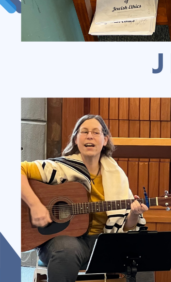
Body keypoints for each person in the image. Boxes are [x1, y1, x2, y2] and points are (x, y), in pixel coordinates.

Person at [21, 115, 148, 282]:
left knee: (141, 249)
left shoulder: (118, 177)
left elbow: (125, 226)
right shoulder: (59, 168)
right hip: (61, 243)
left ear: (105, 140)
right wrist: (35, 204)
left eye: (96, 132)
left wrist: (134, 214)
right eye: (84, 132)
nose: (90, 136)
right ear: (75, 139)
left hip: (102, 242)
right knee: (67, 249)